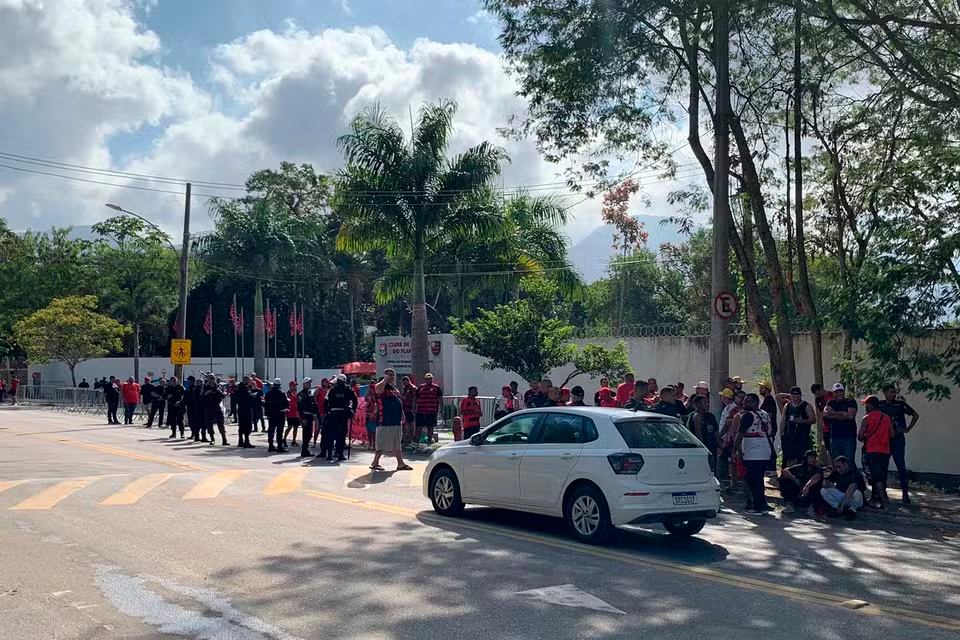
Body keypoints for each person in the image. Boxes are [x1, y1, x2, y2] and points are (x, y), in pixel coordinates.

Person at [879, 383, 920, 504]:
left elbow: (915, 415)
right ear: (885, 393)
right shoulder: (880, 405)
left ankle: (905, 493)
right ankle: (883, 493)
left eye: (894, 392)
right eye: (891, 392)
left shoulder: (900, 404)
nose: (893, 394)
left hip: (897, 439)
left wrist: (908, 428)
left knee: (901, 466)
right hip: (885, 440)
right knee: (883, 467)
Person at [734, 393, 774, 513]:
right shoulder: (765, 414)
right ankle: (762, 502)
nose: (745, 403)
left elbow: (739, 434)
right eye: (745, 401)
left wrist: (734, 450)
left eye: (749, 401)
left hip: (753, 452)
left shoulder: (748, 416)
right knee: (759, 479)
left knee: (753, 480)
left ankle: (758, 506)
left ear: (756, 402)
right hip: (765, 451)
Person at [371, 371, 413, 472]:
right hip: (385, 419)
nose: (391, 377)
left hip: (395, 419)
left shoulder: (394, 388)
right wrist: (385, 380)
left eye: (392, 375)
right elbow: (378, 390)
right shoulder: (380, 386)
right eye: (389, 374)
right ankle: (375, 462)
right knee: (381, 443)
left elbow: (397, 400)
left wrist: (401, 412)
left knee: (397, 443)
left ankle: (400, 463)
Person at [859, 395, 895, 510]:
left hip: (871, 451)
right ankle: (875, 498)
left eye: (866, 405)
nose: (865, 407)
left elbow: (859, 436)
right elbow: (892, 434)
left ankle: (882, 501)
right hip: (884, 451)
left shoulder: (867, 418)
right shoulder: (887, 417)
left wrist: (866, 437)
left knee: (874, 477)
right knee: (881, 475)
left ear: (870, 405)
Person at [322, 373, 357, 462]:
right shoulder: (348, 389)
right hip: (343, 413)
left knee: (332, 433)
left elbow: (325, 402)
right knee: (341, 434)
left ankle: (330, 454)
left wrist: (328, 411)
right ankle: (339, 454)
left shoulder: (332, 390)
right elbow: (355, 400)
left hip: (334, 413)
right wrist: (353, 410)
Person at [778, 386, 816, 468]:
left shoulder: (806, 406)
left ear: (800, 395)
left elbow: (813, 420)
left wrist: (802, 421)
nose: (795, 398)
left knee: (801, 458)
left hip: (802, 438)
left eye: (797, 396)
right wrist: (782, 434)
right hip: (789, 437)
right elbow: (783, 420)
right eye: (793, 396)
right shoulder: (787, 406)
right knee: (787, 458)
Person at [779, 450, 825, 515]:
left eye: (814, 458)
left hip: (810, 493)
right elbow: (785, 471)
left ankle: (811, 507)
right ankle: (790, 504)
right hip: (799, 492)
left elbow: (817, 477)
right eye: (811, 457)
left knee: (817, 486)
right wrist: (794, 479)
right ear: (806, 458)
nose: (813, 460)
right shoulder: (799, 467)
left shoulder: (818, 469)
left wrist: (807, 486)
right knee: (784, 480)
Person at [820, 455, 866, 520]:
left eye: (839, 467)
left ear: (845, 464)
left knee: (856, 492)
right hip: (842, 497)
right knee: (823, 490)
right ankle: (838, 509)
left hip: (854, 499)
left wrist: (842, 504)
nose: (838, 469)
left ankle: (852, 511)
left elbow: (852, 487)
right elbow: (826, 481)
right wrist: (826, 484)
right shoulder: (836, 473)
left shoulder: (855, 474)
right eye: (836, 467)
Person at [824, 383, 858, 463]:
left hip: (849, 436)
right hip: (835, 436)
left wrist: (833, 413)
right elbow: (826, 414)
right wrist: (843, 414)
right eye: (836, 392)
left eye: (841, 391)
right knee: (837, 462)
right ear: (833, 393)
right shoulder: (830, 403)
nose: (839, 394)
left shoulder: (850, 401)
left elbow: (850, 416)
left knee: (849, 461)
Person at [686, 394, 719, 471]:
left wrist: (718, 444)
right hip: (701, 447)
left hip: (711, 446)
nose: (707, 404)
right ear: (698, 404)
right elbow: (698, 433)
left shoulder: (710, 416)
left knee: (712, 468)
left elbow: (715, 431)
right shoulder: (695, 416)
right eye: (704, 402)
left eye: (707, 402)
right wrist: (702, 447)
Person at [414, 373, 444, 443]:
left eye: (430, 379)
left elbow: (440, 399)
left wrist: (441, 409)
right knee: (418, 427)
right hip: (420, 411)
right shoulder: (420, 387)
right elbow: (415, 398)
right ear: (425, 379)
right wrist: (414, 407)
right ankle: (416, 443)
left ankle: (429, 443)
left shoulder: (436, 388)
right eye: (427, 379)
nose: (429, 380)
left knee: (430, 427)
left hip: (431, 411)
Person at [201, 374, 228, 446]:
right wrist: (207, 392)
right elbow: (201, 397)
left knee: (221, 423)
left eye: (213, 378)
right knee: (209, 424)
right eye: (210, 378)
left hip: (217, 406)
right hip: (209, 407)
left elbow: (223, 395)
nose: (212, 380)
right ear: (208, 379)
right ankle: (212, 439)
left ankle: (224, 439)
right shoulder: (205, 387)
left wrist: (223, 393)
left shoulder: (219, 386)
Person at [263, 378, 289, 453]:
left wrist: (268, 413)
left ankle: (270, 445)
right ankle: (279, 446)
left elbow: (266, 405)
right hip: (280, 414)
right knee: (279, 431)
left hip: (271, 415)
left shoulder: (268, 394)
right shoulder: (282, 393)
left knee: (271, 430)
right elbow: (286, 404)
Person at [296, 378, 317, 458]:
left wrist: (315, 414)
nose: (309, 384)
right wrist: (303, 418)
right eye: (308, 383)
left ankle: (306, 449)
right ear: (304, 384)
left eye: (310, 383)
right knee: (306, 434)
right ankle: (304, 450)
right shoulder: (301, 394)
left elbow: (313, 405)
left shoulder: (309, 393)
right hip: (305, 416)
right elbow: (300, 407)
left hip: (310, 416)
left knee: (309, 434)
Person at [233, 376, 255, 448]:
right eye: (248, 380)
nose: (249, 382)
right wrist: (251, 396)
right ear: (245, 380)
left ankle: (242, 441)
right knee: (245, 425)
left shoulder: (246, 387)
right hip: (244, 409)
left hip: (245, 408)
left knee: (243, 425)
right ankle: (245, 441)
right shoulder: (241, 388)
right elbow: (240, 397)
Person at [811, 383, 833, 457]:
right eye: (816, 394)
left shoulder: (831, 395)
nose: (818, 395)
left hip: (835, 426)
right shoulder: (818, 400)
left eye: (819, 393)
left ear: (821, 389)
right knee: (829, 450)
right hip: (826, 428)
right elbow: (819, 414)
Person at [282, 381, 301, 448]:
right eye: (294, 386)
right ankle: (284, 439)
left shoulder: (297, 394)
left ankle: (294, 441)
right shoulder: (287, 394)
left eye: (295, 386)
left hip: (296, 413)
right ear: (290, 386)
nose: (295, 387)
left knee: (296, 427)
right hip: (290, 413)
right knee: (289, 427)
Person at [400, 376, 418, 441]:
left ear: (408, 381)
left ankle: (411, 437)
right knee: (405, 423)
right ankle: (405, 437)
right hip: (405, 409)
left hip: (410, 408)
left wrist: (401, 396)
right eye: (403, 383)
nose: (404, 384)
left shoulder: (412, 388)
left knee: (411, 423)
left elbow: (414, 398)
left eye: (405, 382)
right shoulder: (405, 388)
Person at [364, 384, 379, 451]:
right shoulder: (369, 396)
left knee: (374, 431)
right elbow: (365, 402)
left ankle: (374, 444)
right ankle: (370, 443)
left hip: (373, 416)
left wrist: (373, 414)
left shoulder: (376, 397)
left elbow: (376, 406)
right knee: (369, 431)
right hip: (367, 415)